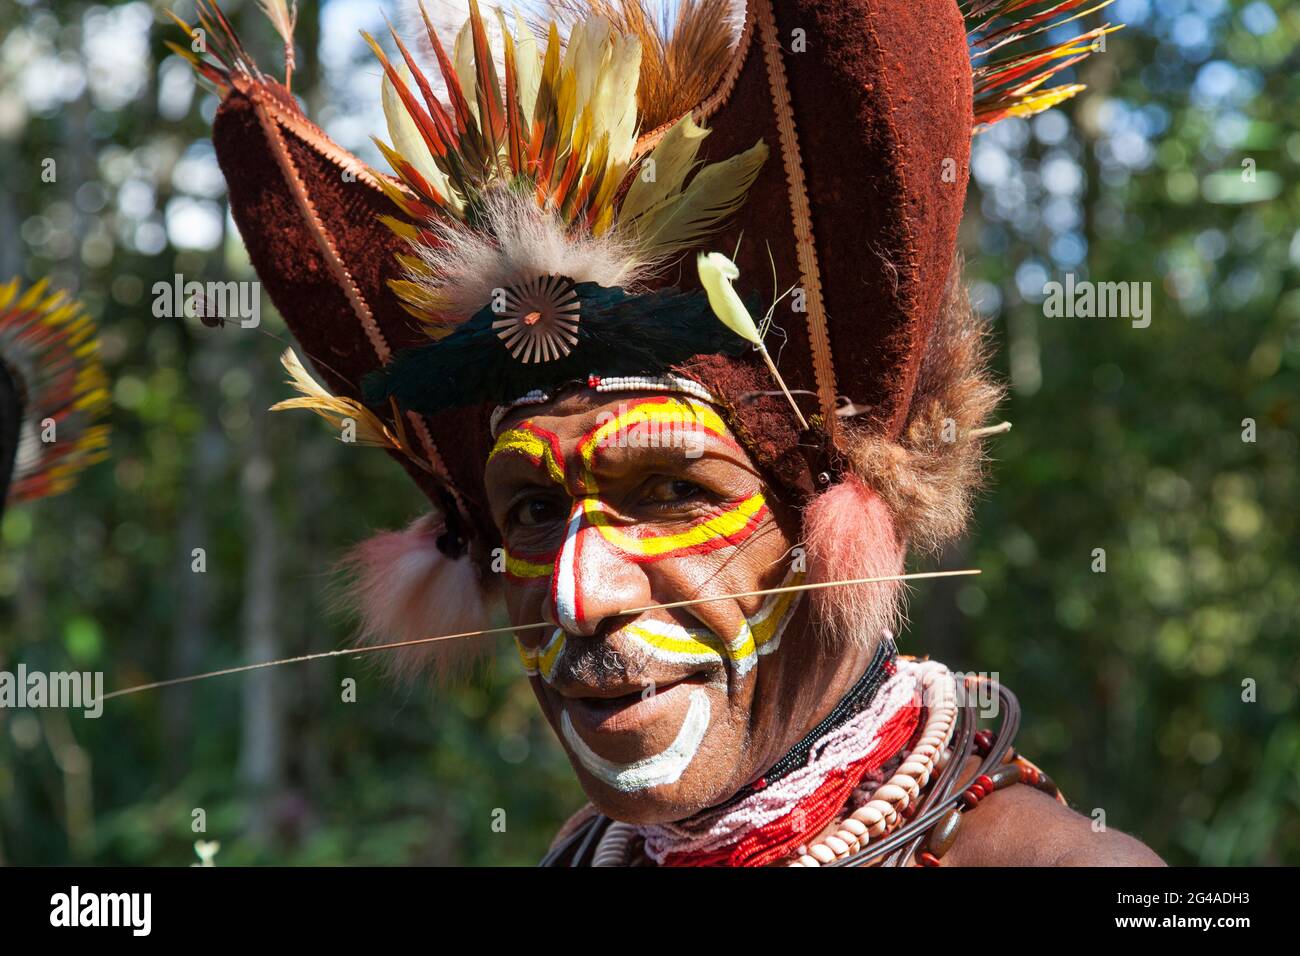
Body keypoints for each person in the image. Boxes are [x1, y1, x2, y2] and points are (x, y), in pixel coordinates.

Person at [175, 0, 1163, 865]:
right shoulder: (583, 852)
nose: (577, 593)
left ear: (837, 517)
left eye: (675, 490)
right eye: (527, 509)